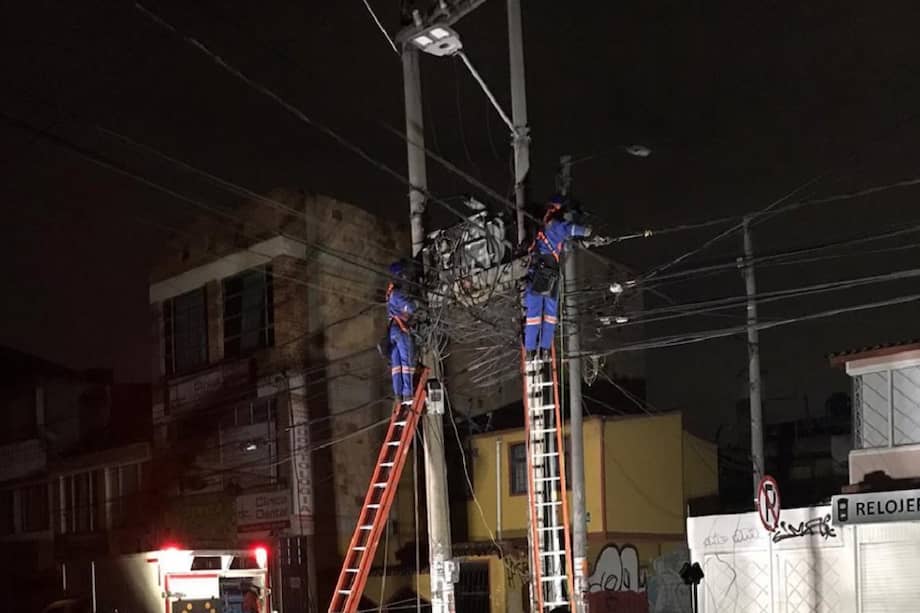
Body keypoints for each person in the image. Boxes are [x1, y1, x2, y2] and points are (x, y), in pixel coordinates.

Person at [523, 196, 595, 362]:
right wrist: (587, 231)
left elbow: (566, 242)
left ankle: (530, 351)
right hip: (551, 275)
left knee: (533, 314)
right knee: (550, 315)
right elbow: (571, 230)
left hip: (536, 273)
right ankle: (545, 350)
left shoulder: (541, 226)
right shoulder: (556, 226)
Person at [387, 260, 417, 405]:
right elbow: (411, 308)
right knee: (406, 361)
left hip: (393, 331)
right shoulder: (397, 294)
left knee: (396, 365)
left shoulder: (390, 292)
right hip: (400, 329)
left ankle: (398, 395)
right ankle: (407, 394)